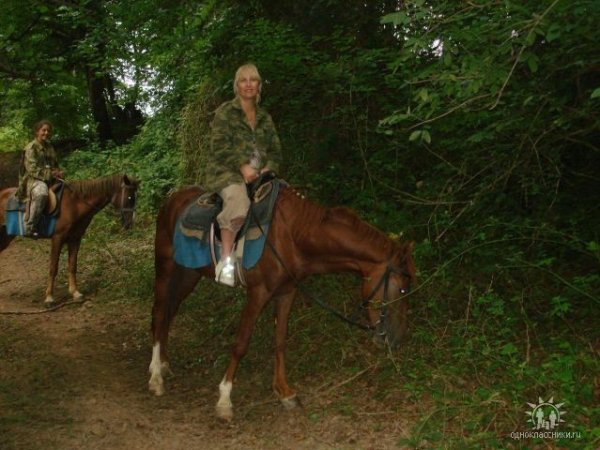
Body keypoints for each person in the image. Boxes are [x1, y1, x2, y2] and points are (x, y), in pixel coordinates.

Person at [207, 63, 282, 286]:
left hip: (260, 175)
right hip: (227, 172)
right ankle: (225, 262)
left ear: (259, 85)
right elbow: (219, 146)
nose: (248, 84)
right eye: (243, 80)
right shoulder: (225, 112)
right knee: (238, 201)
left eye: (253, 80)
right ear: (236, 86)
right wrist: (242, 167)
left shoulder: (265, 117)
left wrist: (270, 167)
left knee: (285, 200)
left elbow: (276, 151)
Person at [16, 120, 63, 238]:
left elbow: (55, 164)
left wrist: (58, 172)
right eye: (43, 130)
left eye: (48, 130)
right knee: (42, 193)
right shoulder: (31, 148)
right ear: (37, 131)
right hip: (33, 180)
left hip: (50, 179)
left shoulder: (49, 147)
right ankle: (30, 227)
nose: (46, 133)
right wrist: (51, 174)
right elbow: (32, 170)